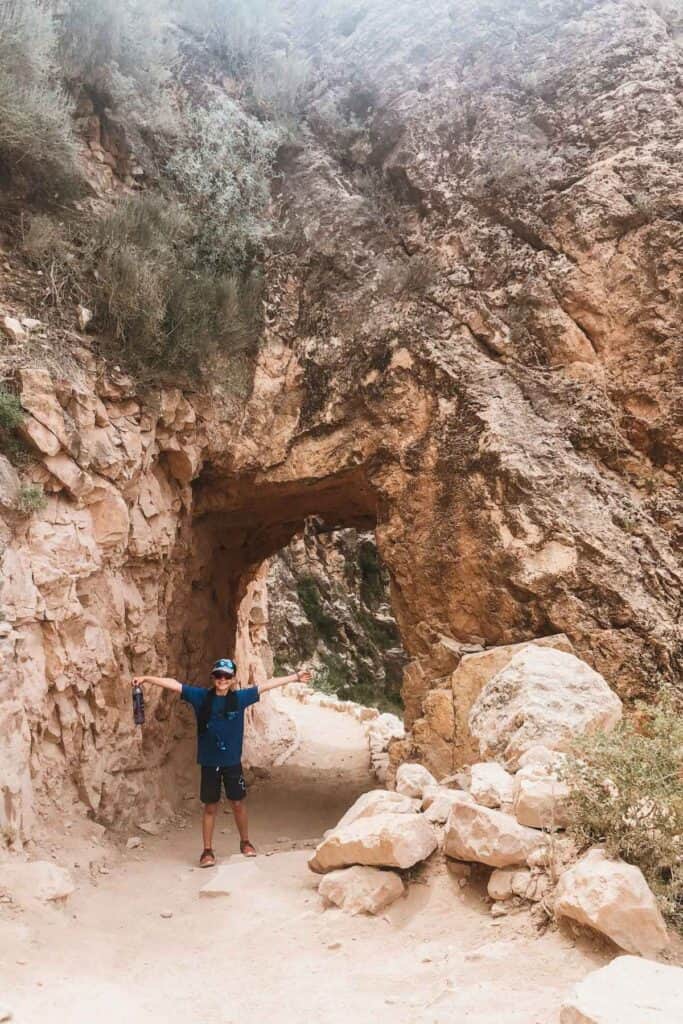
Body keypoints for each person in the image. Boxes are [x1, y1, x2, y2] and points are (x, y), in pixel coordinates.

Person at [131, 658, 311, 867]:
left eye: (227, 676)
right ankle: (207, 851)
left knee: (238, 803)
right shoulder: (201, 697)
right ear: (213, 677)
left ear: (233, 679)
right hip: (209, 763)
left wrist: (296, 677)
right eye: (219, 675)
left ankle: (245, 842)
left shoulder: (240, 698)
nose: (222, 680)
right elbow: (174, 684)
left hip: (232, 762)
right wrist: (147, 679)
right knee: (210, 807)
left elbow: (266, 685)